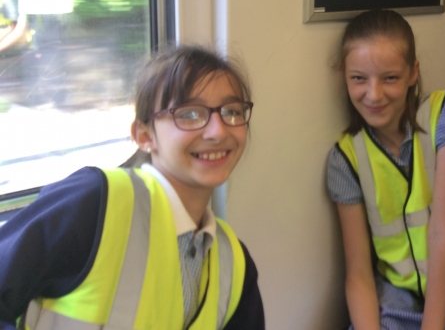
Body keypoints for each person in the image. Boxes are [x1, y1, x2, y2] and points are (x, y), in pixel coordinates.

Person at [0, 45, 265, 330]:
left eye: (232, 112)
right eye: (189, 114)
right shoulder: (94, 205)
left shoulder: (233, 264)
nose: (218, 131)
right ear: (144, 135)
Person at [327, 9, 445, 330]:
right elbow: (359, 274)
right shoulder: (345, 159)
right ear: (344, 76)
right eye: (359, 78)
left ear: (412, 73)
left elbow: (443, 231)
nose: (374, 94)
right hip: (397, 307)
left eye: (390, 78)